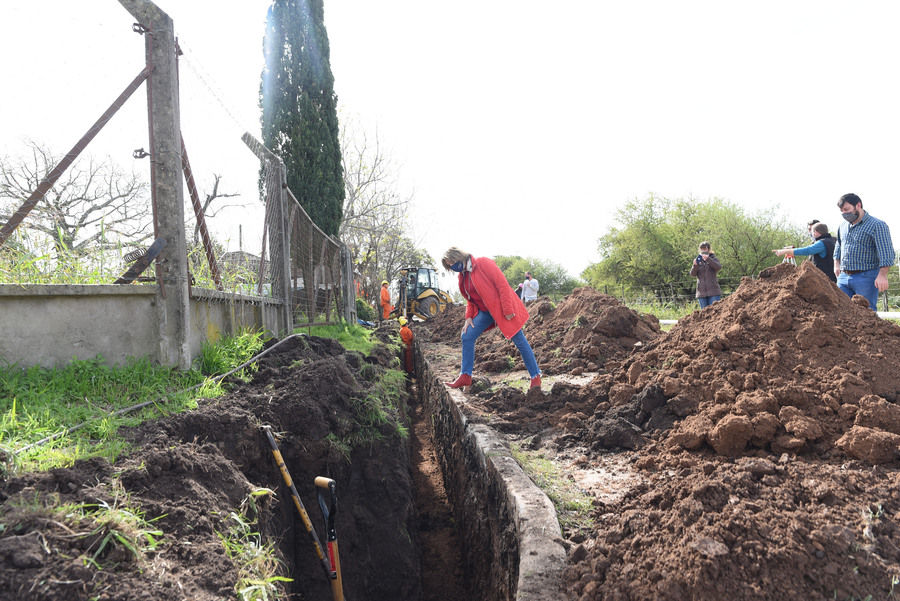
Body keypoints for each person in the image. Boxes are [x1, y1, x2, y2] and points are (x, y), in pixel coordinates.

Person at [441, 247, 542, 390]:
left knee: (519, 341)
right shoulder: (462, 276)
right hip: (485, 312)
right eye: (449, 265)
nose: (452, 266)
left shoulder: (483, 263)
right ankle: (465, 376)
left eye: (452, 262)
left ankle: (535, 377)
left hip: (501, 309)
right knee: (467, 336)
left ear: (459, 256)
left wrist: (508, 309)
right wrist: (468, 316)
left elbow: (503, 285)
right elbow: (470, 299)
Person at [832, 193, 895, 310]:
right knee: (840, 311)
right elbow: (838, 245)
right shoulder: (842, 226)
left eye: (847, 209)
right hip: (843, 276)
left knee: (866, 314)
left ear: (858, 205)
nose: (844, 213)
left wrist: (882, 275)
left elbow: (886, 252)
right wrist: (836, 264)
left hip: (866, 277)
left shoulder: (877, 225)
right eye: (841, 211)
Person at [773, 222, 837, 282]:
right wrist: (792, 249)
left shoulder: (822, 243)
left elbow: (806, 250)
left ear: (816, 232)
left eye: (811, 231)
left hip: (826, 279)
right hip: (829, 277)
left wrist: (785, 251)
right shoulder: (829, 241)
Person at [690, 241, 722, 309]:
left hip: (714, 292)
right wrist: (695, 265)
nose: (703, 250)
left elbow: (718, 267)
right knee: (704, 315)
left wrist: (708, 259)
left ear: (709, 249)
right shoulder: (698, 260)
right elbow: (692, 274)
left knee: (714, 312)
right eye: (702, 249)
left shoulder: (714, 259)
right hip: (701, 293)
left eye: (705, 249)